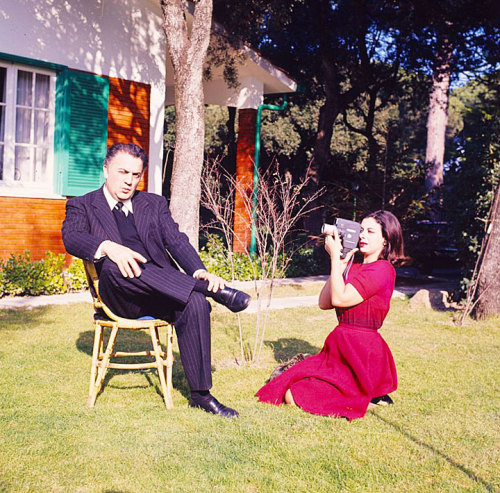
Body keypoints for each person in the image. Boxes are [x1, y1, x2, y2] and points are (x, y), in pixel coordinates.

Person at [62, 143, 251, 418]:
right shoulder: (83, 205)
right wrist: (109, 247)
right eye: (123, 172)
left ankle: (201, 395)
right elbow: (73, 237)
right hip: (121, 294)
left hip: (162, 290)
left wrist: (198, 270)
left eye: (136, 175)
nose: (129, 181)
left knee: (196, 301)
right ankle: (216, 292)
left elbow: (176, 240)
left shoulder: (153, 203)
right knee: (117, 266)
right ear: (106, 169)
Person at [255, 210, 404, 420]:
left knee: (292, 395)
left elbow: (340, 300)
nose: (362, 236)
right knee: (288, 381)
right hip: (339, 348)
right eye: (361, 230)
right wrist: (340, 265)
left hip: (361, 352)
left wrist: (335, 258)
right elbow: (324, 303)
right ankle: (368, 397)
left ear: (386, 240)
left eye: (370, 232)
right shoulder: (355, 266)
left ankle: (366, 400)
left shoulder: (383, 269)